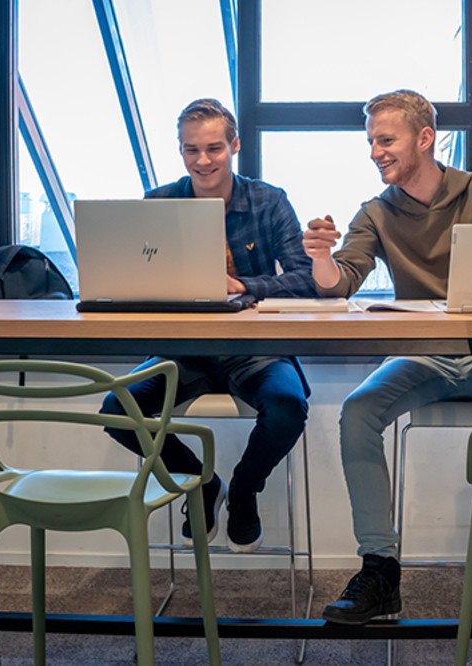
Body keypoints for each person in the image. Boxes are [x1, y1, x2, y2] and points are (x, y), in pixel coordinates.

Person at [302, 89, 472, 631]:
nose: (375, 151)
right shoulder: (375, 211)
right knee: (358, 412)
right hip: (422, 357)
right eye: (371, 140)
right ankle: (379, 569)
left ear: (425, 139)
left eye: (386, 139)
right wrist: (322, 258)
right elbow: (339, 285)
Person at [100, 98, 315, 553]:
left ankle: (242, 490)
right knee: (118, 412)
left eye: (214, 148)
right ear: (180, 151)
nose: (202, 160)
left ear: (234, 145)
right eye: (191, 149)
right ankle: (201, 482)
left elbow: (306, 278)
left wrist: (242, 284)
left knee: (287, 408)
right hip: (182, 349)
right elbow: (136, 280)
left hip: (255, 347)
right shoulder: (158, 203)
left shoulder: (269, 200)